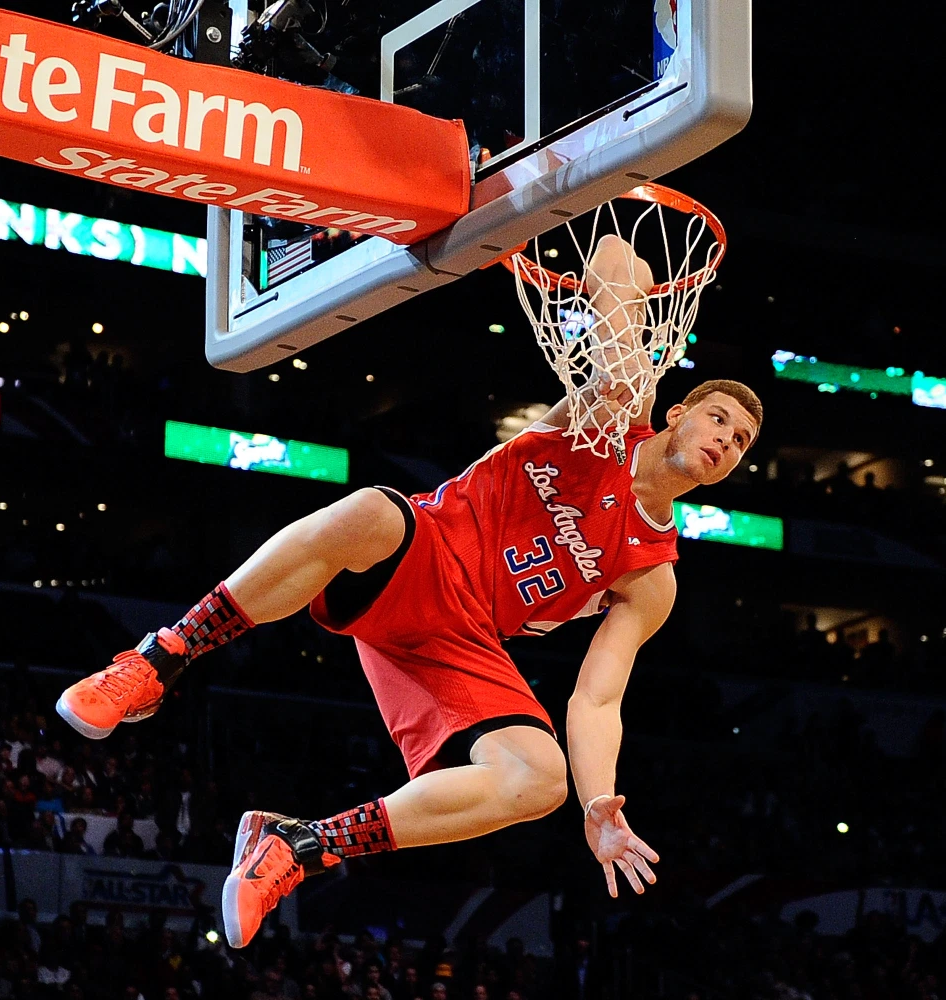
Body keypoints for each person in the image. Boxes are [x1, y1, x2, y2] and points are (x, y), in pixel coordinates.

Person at [55, 234, 763, 949]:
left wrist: (596, 799)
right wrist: (637, 297)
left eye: (740, 444)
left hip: (462, 641)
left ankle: (300, 846)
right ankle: (159, 661)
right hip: (417, 553)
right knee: (368, 508)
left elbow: (597, 698)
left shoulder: (653, 575)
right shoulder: (606, 416)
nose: (725, 441)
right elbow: (612, 250)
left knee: (539, 780)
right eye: (719, 420)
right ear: (678, 413)